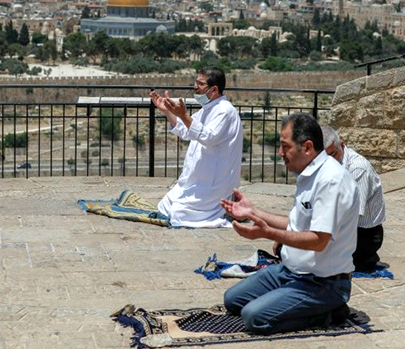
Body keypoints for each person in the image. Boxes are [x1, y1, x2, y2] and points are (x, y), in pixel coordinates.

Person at [220, 113, 359, 334]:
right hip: (290, 272)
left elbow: (319, 240)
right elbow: (296, 224)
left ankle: (330, 312)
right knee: (233, 300)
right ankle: (289, 300)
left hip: (322, 283)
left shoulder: (330, 180)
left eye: (285, 146)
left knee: (254, 317)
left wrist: (269, 234)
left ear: (307, 147)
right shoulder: (309, 173)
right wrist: (253, 211)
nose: (280, 153)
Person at [150, 67, 243, 227]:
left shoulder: (225, 111)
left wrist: (184, 115)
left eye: (200, 84)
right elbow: (186, 130)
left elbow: (208, 137)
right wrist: (167, 112)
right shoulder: (208, 109)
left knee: (179, 214)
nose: (195, 87)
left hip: (214, 183)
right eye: (195, 82)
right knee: (164, 207)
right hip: (197, 180)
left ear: (214, 89)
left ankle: (223, 211)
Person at [321, 126, 386, 273]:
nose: (328, 161)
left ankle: (363, 258)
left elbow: (352, 214)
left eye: (333, 155)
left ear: (342, 145)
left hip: (363, 234)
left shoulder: (358, 169)